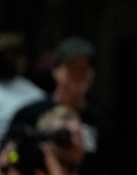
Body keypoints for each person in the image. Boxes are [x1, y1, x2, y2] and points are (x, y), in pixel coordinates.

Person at [5, 37, 114, 175]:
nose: (79, 74)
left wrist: (77, 160)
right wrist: (24, 155)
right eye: (73, 68)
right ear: (56, 71)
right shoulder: (29, 115)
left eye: (84, 68)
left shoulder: (103, 122)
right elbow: (9, 156)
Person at [0, 33, 46, 141]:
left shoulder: (36, 95)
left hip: (14, 154)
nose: (8, 60)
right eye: (4, 54)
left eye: (14, 54)